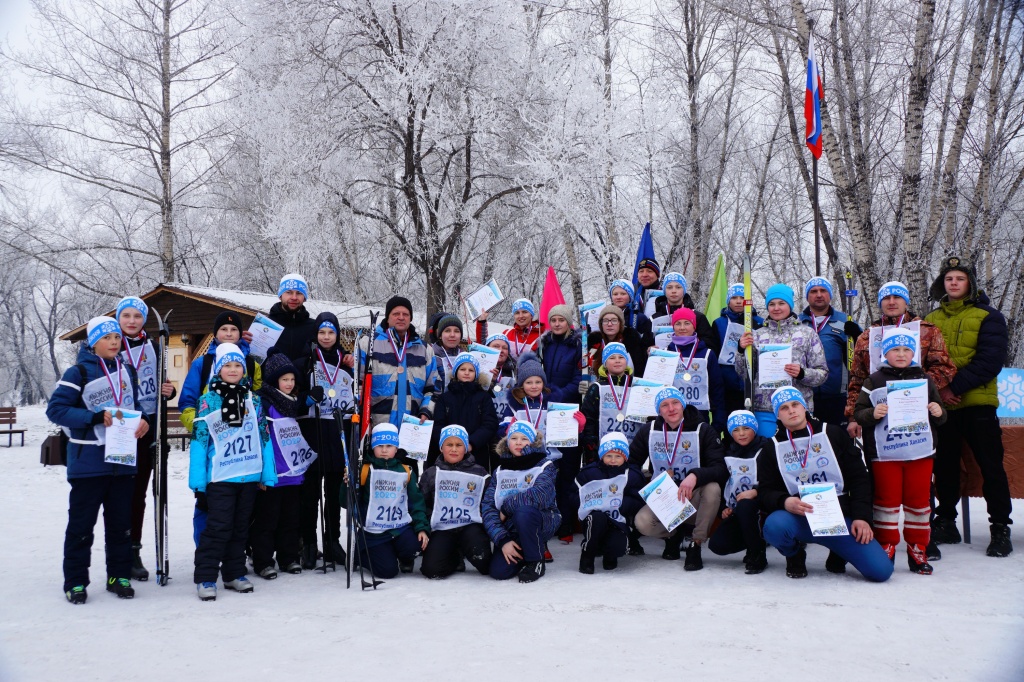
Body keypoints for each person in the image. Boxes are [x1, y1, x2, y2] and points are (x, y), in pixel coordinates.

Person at [47, 316, 150, 604]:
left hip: (122, 461)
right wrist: (92, 417)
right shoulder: (78, 372)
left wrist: (144, 422)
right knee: (81, 527)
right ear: (93, 342)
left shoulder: (127, 370)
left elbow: (136, 407)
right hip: (89, 464)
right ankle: (76, 581)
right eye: (107, 338)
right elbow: (55, 410)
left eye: (117, 337)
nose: (114, 342)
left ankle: (118, 576)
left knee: (120, 526)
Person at [757, 386, 893, 582]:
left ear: (805, 408)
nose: (792, 410)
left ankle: (839, 552)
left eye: (795, 404)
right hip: (801, 518)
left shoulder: (833, 433)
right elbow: (765, 491)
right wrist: (785, 501)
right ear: (778, 415)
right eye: (784, 408)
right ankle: (794, 554)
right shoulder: (772, 447)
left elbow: (859, 478)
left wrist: (862, 517)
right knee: (775, 526)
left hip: (838, 517)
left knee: (881, 571)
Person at [925, 256, 1014, 558]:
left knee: (991, 467)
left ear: (970, 284)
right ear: (942, 284)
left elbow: (990, 362)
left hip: (977, 405)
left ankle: (1000, 527)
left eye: (959, 279)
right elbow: (922, 361)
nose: (953, 283)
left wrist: (952, 387)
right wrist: (938, 391)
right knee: (944, 466)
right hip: (942, 408)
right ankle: (946, 521)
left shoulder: (989, 316)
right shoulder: (931, 319)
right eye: (948, 279)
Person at [852, 329, 947, 574]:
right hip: (886, 454)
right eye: (895, 349)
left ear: (914, 353)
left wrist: (938, 411)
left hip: (920, 453)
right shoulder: (873, 380)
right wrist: (872, 414)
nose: (901, 354)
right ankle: (886, 545)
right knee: (886, 503)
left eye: (907, 350)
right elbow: (859, 413)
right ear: (885, 353)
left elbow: (942, 416)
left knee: (919, 503)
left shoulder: (925, 380)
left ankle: (917, 548)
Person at [189, 343, 278, 601]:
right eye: (227, 365)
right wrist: (198, 482)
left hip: (248, 474)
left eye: (237, 365)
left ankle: (234, 573)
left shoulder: (254, 400)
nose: (233, 369)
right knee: (218, 527)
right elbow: (199, 441)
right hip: (220, 477)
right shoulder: (207, 401)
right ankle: (206, 577)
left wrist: (267, 474)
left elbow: (264, 437)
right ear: (218, 369)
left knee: (240, 528)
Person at [629, 387, 728, 571]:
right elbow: (631, 464)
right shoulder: (649, 430)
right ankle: (672, 536)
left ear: (683, 405)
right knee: (642, 522)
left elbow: (720, 468)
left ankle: (695, 543)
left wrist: (695, 475)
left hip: (692, 494)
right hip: (664, 496)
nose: (671, 408)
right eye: (664, 405)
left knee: (712, 488)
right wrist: (649, 484)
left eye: (675, 403)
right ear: (659, 411)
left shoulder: (703, 429)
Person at [114, 296, 175, 582]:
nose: (131, 321)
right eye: (126, 315)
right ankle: (122, 550)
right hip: (122, 429)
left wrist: (168, 391)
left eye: (137, 316)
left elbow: (163, 383)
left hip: (151, 428)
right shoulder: (110, 345)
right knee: (123, 494)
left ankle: (134, 550)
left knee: (142, 493)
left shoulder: (154, 345)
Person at [845, 281, 955, 439]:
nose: (891, 302)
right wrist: (853, 416)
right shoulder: (866, 337)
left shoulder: (927, 330)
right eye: (886, 298)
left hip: (916, 409)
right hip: (879, 413)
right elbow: (857, 378)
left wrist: (917, 388)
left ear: (906, 301)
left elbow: (944, 367)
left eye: (897, 297)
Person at [507, 352, 585, 540]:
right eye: (529, 383)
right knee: (532, 493)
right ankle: (534, 527)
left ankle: (564, 526)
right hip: (526, 458)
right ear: (521, 385)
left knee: (559, 490)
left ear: (544, 383)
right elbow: (505, 423)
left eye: (538, 382)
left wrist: (578, 426)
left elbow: (566, 428)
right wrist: (508, 429)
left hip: (552, 456)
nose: (534, 386)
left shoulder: (554, 401)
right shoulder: (515, 403)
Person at [735, 283, 828, 437]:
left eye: (781, 303)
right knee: (769, 455)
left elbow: (822, 373)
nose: (776, 308)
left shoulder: (807, 333)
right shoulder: (756, 335)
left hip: (797, 410)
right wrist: (740, 350)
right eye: (771, 304)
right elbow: (743, 373)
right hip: (765, 409)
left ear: (790, 305)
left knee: (797, 455)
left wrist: (802, 373)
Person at [297, 312, 353, 569]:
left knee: (333, 493)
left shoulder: (346, 362)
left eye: (331, 332)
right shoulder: (305, 360)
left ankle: (333, 541)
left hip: (337, 432)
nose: (326, 337)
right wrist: (307, 398)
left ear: (338, 334)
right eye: (322, 332)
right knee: (309, 495)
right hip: (311, 432)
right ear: (315, 335)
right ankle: (308, 542)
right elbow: (290, 395)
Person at [251, 349, 311, 578]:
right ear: (275, 380)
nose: (288, 383)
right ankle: (263, 561)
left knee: (290, 518)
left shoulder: (293, 402)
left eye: (292, 379)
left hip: (292, 472)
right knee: (267, 519)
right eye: (284, 379)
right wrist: (263, 472)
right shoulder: (265, 403)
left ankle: (288, 558)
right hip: (273, 472)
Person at [481, 422, 560, 582]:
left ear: (533, 442)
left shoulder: (544, 465)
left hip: (541, 519)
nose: (518, 442)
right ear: (507, 442)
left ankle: (535, 561)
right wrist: (502, 540)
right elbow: (488, 507)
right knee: (499, 572)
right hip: (511, 529)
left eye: (524, 438)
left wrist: (506, 508)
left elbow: (540, 495)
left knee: (523, 512)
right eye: (514, 438)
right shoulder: (500, 471)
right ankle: (525, 547)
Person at [419, 425, 492, 578]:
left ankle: (469, 550)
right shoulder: (432, 473)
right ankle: (454, 556)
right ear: (441, 448)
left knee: (486, 565)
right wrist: (425, 528)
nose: (454, 449)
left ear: (466, 448)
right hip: (442, 528)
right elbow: (423, 504)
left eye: (459, 445)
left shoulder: (480, 473)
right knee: (431, 570)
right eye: (449, 445)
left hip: (470, 527)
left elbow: (488, 504)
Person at [356, 295, 438, 428]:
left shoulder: (424, 349)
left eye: (405, 314)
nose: (401, 317)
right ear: (387, 318)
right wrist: (363, 419)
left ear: (410, 318)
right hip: (378, 427)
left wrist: (426, 411)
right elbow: (357, 384)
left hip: (412, 426)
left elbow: (433, 389)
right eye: (396, 314)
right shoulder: (368, 343)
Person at [707, 410, 772, 574]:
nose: (741, 434)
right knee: (717, 545)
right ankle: (754, 541)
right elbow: (723, 483)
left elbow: (778, 481)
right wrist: (723, 507)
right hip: (738, 508)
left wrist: (756, 492)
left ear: (755, 429)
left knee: (746, 506)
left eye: (746, 428)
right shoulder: (727, 452)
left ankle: (757, 553)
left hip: (765, 504)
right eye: (736, 430)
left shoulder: (767, 448)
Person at [179, 311, 262, 433]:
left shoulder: (251, 365)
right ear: (215, 333)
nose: (229, 334)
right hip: (211, 434)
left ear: (240, 333)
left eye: (234, 329)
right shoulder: (202, 363)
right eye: (224, 329)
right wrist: (201, 427)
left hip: (245, 433)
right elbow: (188, 402)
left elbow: (259, 400)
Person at [575, 433, 645, 574]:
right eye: (609, 456)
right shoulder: (589, 473)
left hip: (617, 519)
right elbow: (575, 494)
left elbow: (638, 499)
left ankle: (610, 554)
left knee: (617, 545)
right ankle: (587, 555)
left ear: (625, 457)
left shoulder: (632, 475)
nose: (613, 460)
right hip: (595, 518)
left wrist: (622, 504)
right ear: (601, 456)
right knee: (597, 519)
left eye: (618, 456)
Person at [798, 277, 862, 426]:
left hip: (837, 396)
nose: (819, 295)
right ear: (808, 296)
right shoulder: (798, 322)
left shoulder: (844, 321)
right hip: (805, 395)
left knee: (838, 443)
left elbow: (862, 352)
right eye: (813, 291)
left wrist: (857, 335)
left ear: (830, 295)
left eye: (823, 291)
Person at [427, 353, 498, 469]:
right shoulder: (445, 398)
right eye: (462, 369)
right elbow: (438, 425)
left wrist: (471, 443)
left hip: (476, 454)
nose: (466, 372)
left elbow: (490, 424)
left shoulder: (484, 397)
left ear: (476, 374)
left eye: (471, 370)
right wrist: (449, 444)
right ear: (455, 372)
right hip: (448, 454)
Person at [666, 307, 727, 432]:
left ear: (694, 326)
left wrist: (718, 423)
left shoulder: (707, 354)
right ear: (673, 327)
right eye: (678, 323)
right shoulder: (666, 354)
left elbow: (717, 390)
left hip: (700, 417)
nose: (682, 328)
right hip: (671, 418)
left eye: (687, 323)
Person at [580, 342, 642, 461]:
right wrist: (591, 449)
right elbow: (589, 420)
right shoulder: (596, 388)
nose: (617, 361)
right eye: (612, 358)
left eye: (621, 357)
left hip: (631, 447)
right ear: (605, 363)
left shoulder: (637, 386)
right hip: (603, 449)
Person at [712, 282, 764, 416]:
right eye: (734, 298)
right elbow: (715, 352)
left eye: (742, 298)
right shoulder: (719, 323)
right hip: (727, 382)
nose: (739, 301)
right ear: (728, 301)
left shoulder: (760, 322)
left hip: (753, 383)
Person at [651, 272, 718, 352]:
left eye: (678, 287)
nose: (674, 291)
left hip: (691, 361)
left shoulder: (698, 317)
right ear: (664, 290)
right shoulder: (654, 318)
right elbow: (645, 344)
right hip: (663, 361)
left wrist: (694, 346)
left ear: (684, 290)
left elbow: (710, 344)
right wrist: (648, 349)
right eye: (669, 287)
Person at [537, 304, 583, 404]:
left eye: (561, 320)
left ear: (568, 322)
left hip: (569, 402)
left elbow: (579, 377)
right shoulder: (544, 344)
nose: (557, 324)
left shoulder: (577, 345)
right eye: (553, 320)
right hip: (545, 400)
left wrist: (560, 395)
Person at [587, 304, 649, 377]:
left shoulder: (631, 339)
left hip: (628, 384)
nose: (609, 324)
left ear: (620, 323)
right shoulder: (594, 341)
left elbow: (640, 367)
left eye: (614, 320)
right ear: (601, 324)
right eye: (605, 321)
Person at [608, 279, 655, 350]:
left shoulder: (639, 317)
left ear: (630, 296)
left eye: (623, 294)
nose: (618, 297)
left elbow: (646, 342)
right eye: (615, 294)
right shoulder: (606, 316)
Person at [431, 313, 465, 393]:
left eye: (456, 331)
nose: (452, 335)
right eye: (447, 331)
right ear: (439, 335)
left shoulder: (465, 357)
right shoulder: (430, 355)